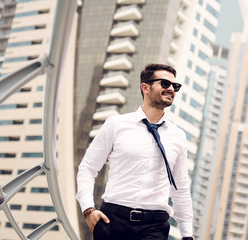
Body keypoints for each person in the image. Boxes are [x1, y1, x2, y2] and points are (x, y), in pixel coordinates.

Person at [76, 63, 194, 240]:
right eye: (164, 83)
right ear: (145, 87)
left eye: (174, 86)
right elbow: (87, 168)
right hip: (112, 221)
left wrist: (187, 235)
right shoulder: (116, 125)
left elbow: (180, 188)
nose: (171, 89)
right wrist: (88, 209)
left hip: (154, 226)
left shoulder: (178, 137)